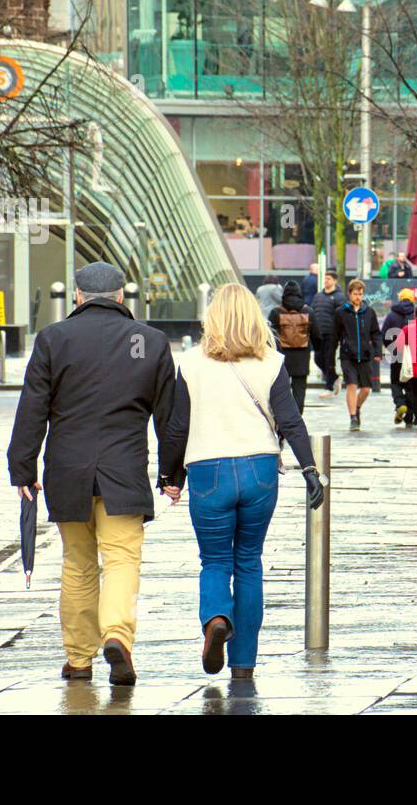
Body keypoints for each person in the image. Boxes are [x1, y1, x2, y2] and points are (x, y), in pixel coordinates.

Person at [7, 262, 176, 686]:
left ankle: (79, 658)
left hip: (67, 470)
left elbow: (32, 410)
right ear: (121, 295)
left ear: (78, 296)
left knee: (78, 563)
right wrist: (172, 473)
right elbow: (169, 417)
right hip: (125, 469)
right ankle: (116, 634)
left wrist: (23, 469)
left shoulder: (53, 339)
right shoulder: (150, 341)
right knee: (121, 559)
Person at [159, 284, 324, 680]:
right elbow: (291, 420)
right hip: (259, 470)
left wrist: (170, 475)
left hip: (208, 470)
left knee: (215, 561)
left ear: (212, 318)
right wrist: (309, 468)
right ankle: (244, 664)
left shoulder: (191, 363)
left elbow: (177, 427)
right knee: (249, 561)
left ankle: (217, 618)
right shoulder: (271, 362)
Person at [332, 278, 383, 431]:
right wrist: (330, 357)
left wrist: (378, 351)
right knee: (351, 385)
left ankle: (357, 407)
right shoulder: (341, 312)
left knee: (366, 389)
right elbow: (335, 335)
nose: (358, 297)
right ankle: (353, 417)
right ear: (349, 294)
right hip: (348, 355)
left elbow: (376, 333)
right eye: (355, 294)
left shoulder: (369, 312)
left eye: (360, 294)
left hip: (365, 355)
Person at [269, 281, 318, 414]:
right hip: (302, 359)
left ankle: (282, 417)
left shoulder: (276, 312)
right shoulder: (308, 311)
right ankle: (297, 417)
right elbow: (317, 335)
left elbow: (269, 336)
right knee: (299, 390)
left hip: (281, 359)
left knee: (281, 391)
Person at [381, 287, 417, 424]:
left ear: (400, 298)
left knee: (396, 382)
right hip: (413, 356)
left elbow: (384, 335)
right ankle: (409, 417)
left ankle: (400, 404)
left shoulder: (392, 315)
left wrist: (392, 348)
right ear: (412, 299)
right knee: (411, 386)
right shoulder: (416, 315)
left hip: (397, 354)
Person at [311, 270, 346, 398]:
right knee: (318, 359)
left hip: (332, 334)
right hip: (318, 333)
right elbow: (313, 311)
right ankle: (335, 378)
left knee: (329, 360)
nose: (326, 281)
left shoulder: (339, 297)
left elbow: (342, 316)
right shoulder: (318, 296)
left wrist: (340, 333)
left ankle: (329, 387)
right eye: (325, 279)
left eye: (329, 279)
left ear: (335, 281)